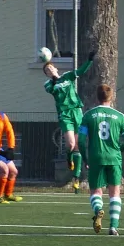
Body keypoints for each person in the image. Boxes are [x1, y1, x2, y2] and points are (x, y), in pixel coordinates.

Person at [78, 84, 124, 236]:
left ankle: (98, 210)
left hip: (96, 157)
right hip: (114, 158)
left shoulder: (88, 116)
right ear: (112, 97)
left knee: (96, 191)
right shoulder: (120, 117)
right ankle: (113, 227)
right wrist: (119, 150)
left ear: (97, 97)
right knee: (115, 192)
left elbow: (81, 141)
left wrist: (85, 158)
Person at [43, 49, 96, 193]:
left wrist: (90, 60)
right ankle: (68, 157)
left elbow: (80, 71)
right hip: (64, 114)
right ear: (46, 73)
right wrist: (53, 78)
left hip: (76, 112)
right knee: (71, 144)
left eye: (51, 68)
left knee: (78, 145)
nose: (50, 70)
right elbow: (52, 89)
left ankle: (76, 178)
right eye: (47, 70)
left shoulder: (67, 77)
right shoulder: (48, 84)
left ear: (56, 68)